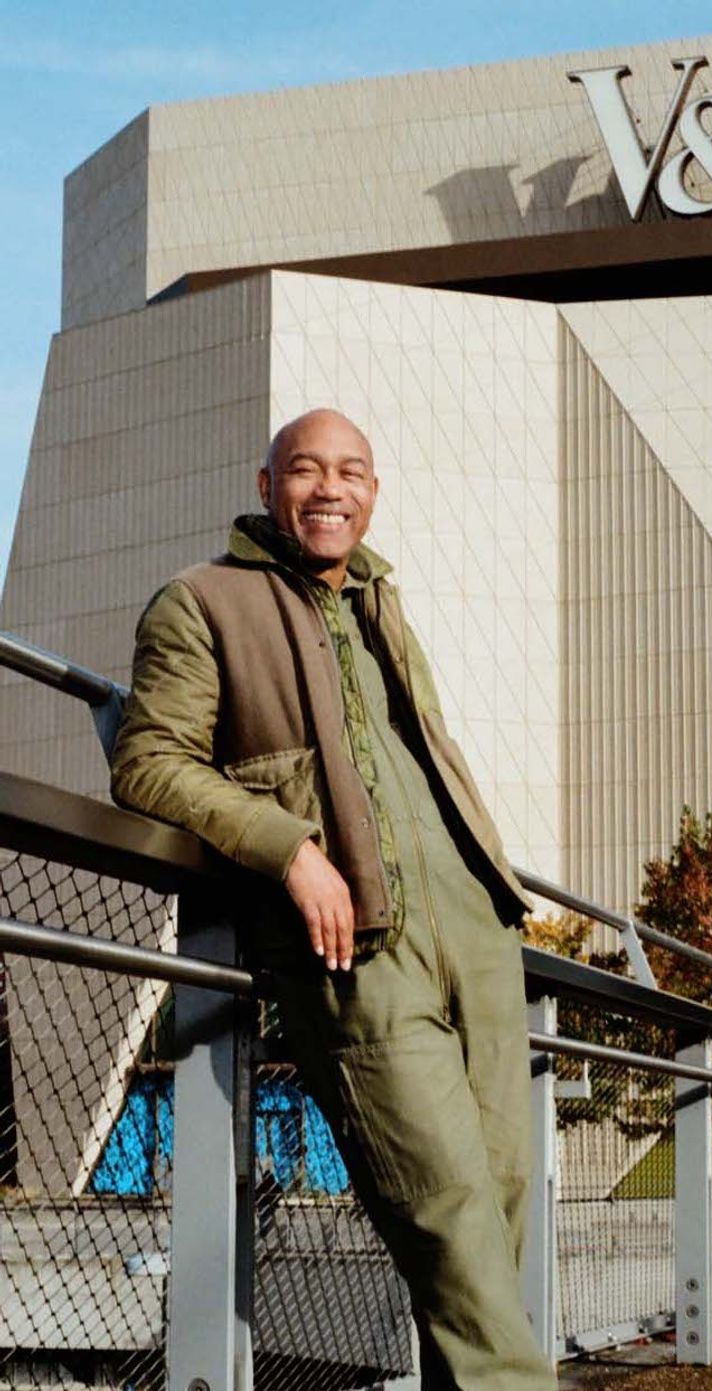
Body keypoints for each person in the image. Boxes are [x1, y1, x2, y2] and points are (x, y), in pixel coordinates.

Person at [110, 408, 557, 1391]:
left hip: (473, 929)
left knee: (499, 1204)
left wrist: (489, 893)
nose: (329, 487)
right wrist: (289, 849)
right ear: (266, 485)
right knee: (445, 1209)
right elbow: (147, 761)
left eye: (350, 471)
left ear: (372, 491)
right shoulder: (202, 601)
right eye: (305, 469)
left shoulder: (378, 600)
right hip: (358, 947)